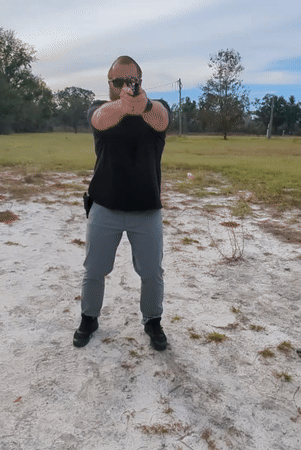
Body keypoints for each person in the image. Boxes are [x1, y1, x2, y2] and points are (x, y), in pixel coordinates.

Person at [73, 56, 172, 351]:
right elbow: (100, 120)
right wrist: (124, 104)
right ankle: (89, 318)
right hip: (105, 205)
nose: (125, 86)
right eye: (118, 82)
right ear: (109, 84)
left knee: (152, 272)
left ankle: (152, 321)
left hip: (147, 208)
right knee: (94, 270)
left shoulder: (156, 108)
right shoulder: (100, 108)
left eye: (132, 81)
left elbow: (162, 119)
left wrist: (142, 105)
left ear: (141, 81)